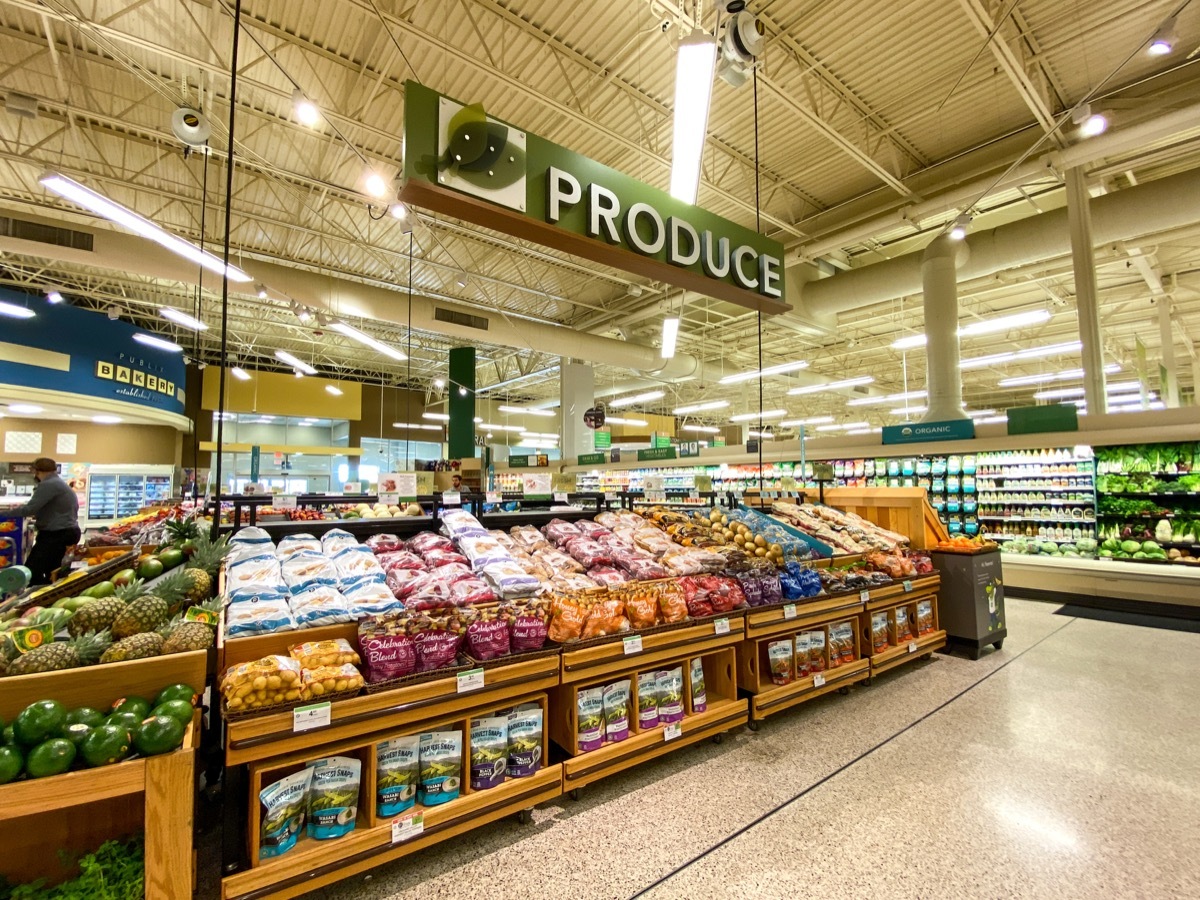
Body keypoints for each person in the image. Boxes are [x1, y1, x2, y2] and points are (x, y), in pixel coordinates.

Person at [9, 458, 80, 585]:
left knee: (32, 571)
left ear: (36, 471)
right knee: (52, 571)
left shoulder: (49, 484)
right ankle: (49, 596)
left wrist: (4, 514)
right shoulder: (58, 483)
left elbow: (29, 509)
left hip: (56, 534)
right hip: (67, 531)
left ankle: (37, 597)